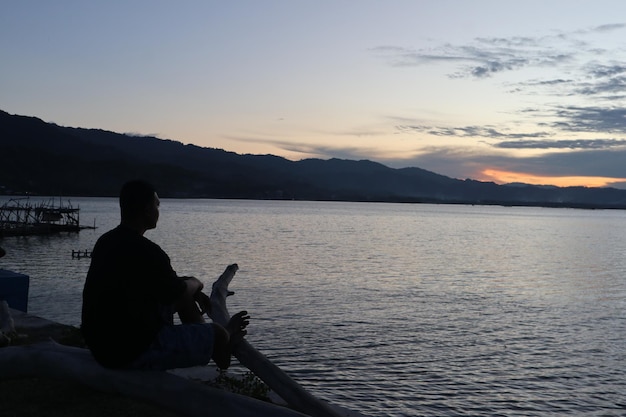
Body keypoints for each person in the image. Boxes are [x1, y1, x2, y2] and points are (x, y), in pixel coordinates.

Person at [81, 180, 249, 370]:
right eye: (157, 204)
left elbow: (170, 289)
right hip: (130, 352)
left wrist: (188, 289)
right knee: (218, 331)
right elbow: (180, 290)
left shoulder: (106, 242)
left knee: (183, 298)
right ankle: (223, 338)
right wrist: (197, 283)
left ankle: (214, 347)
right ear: (147, 209)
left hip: (100, 347)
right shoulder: (149, 252)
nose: (158, 210)